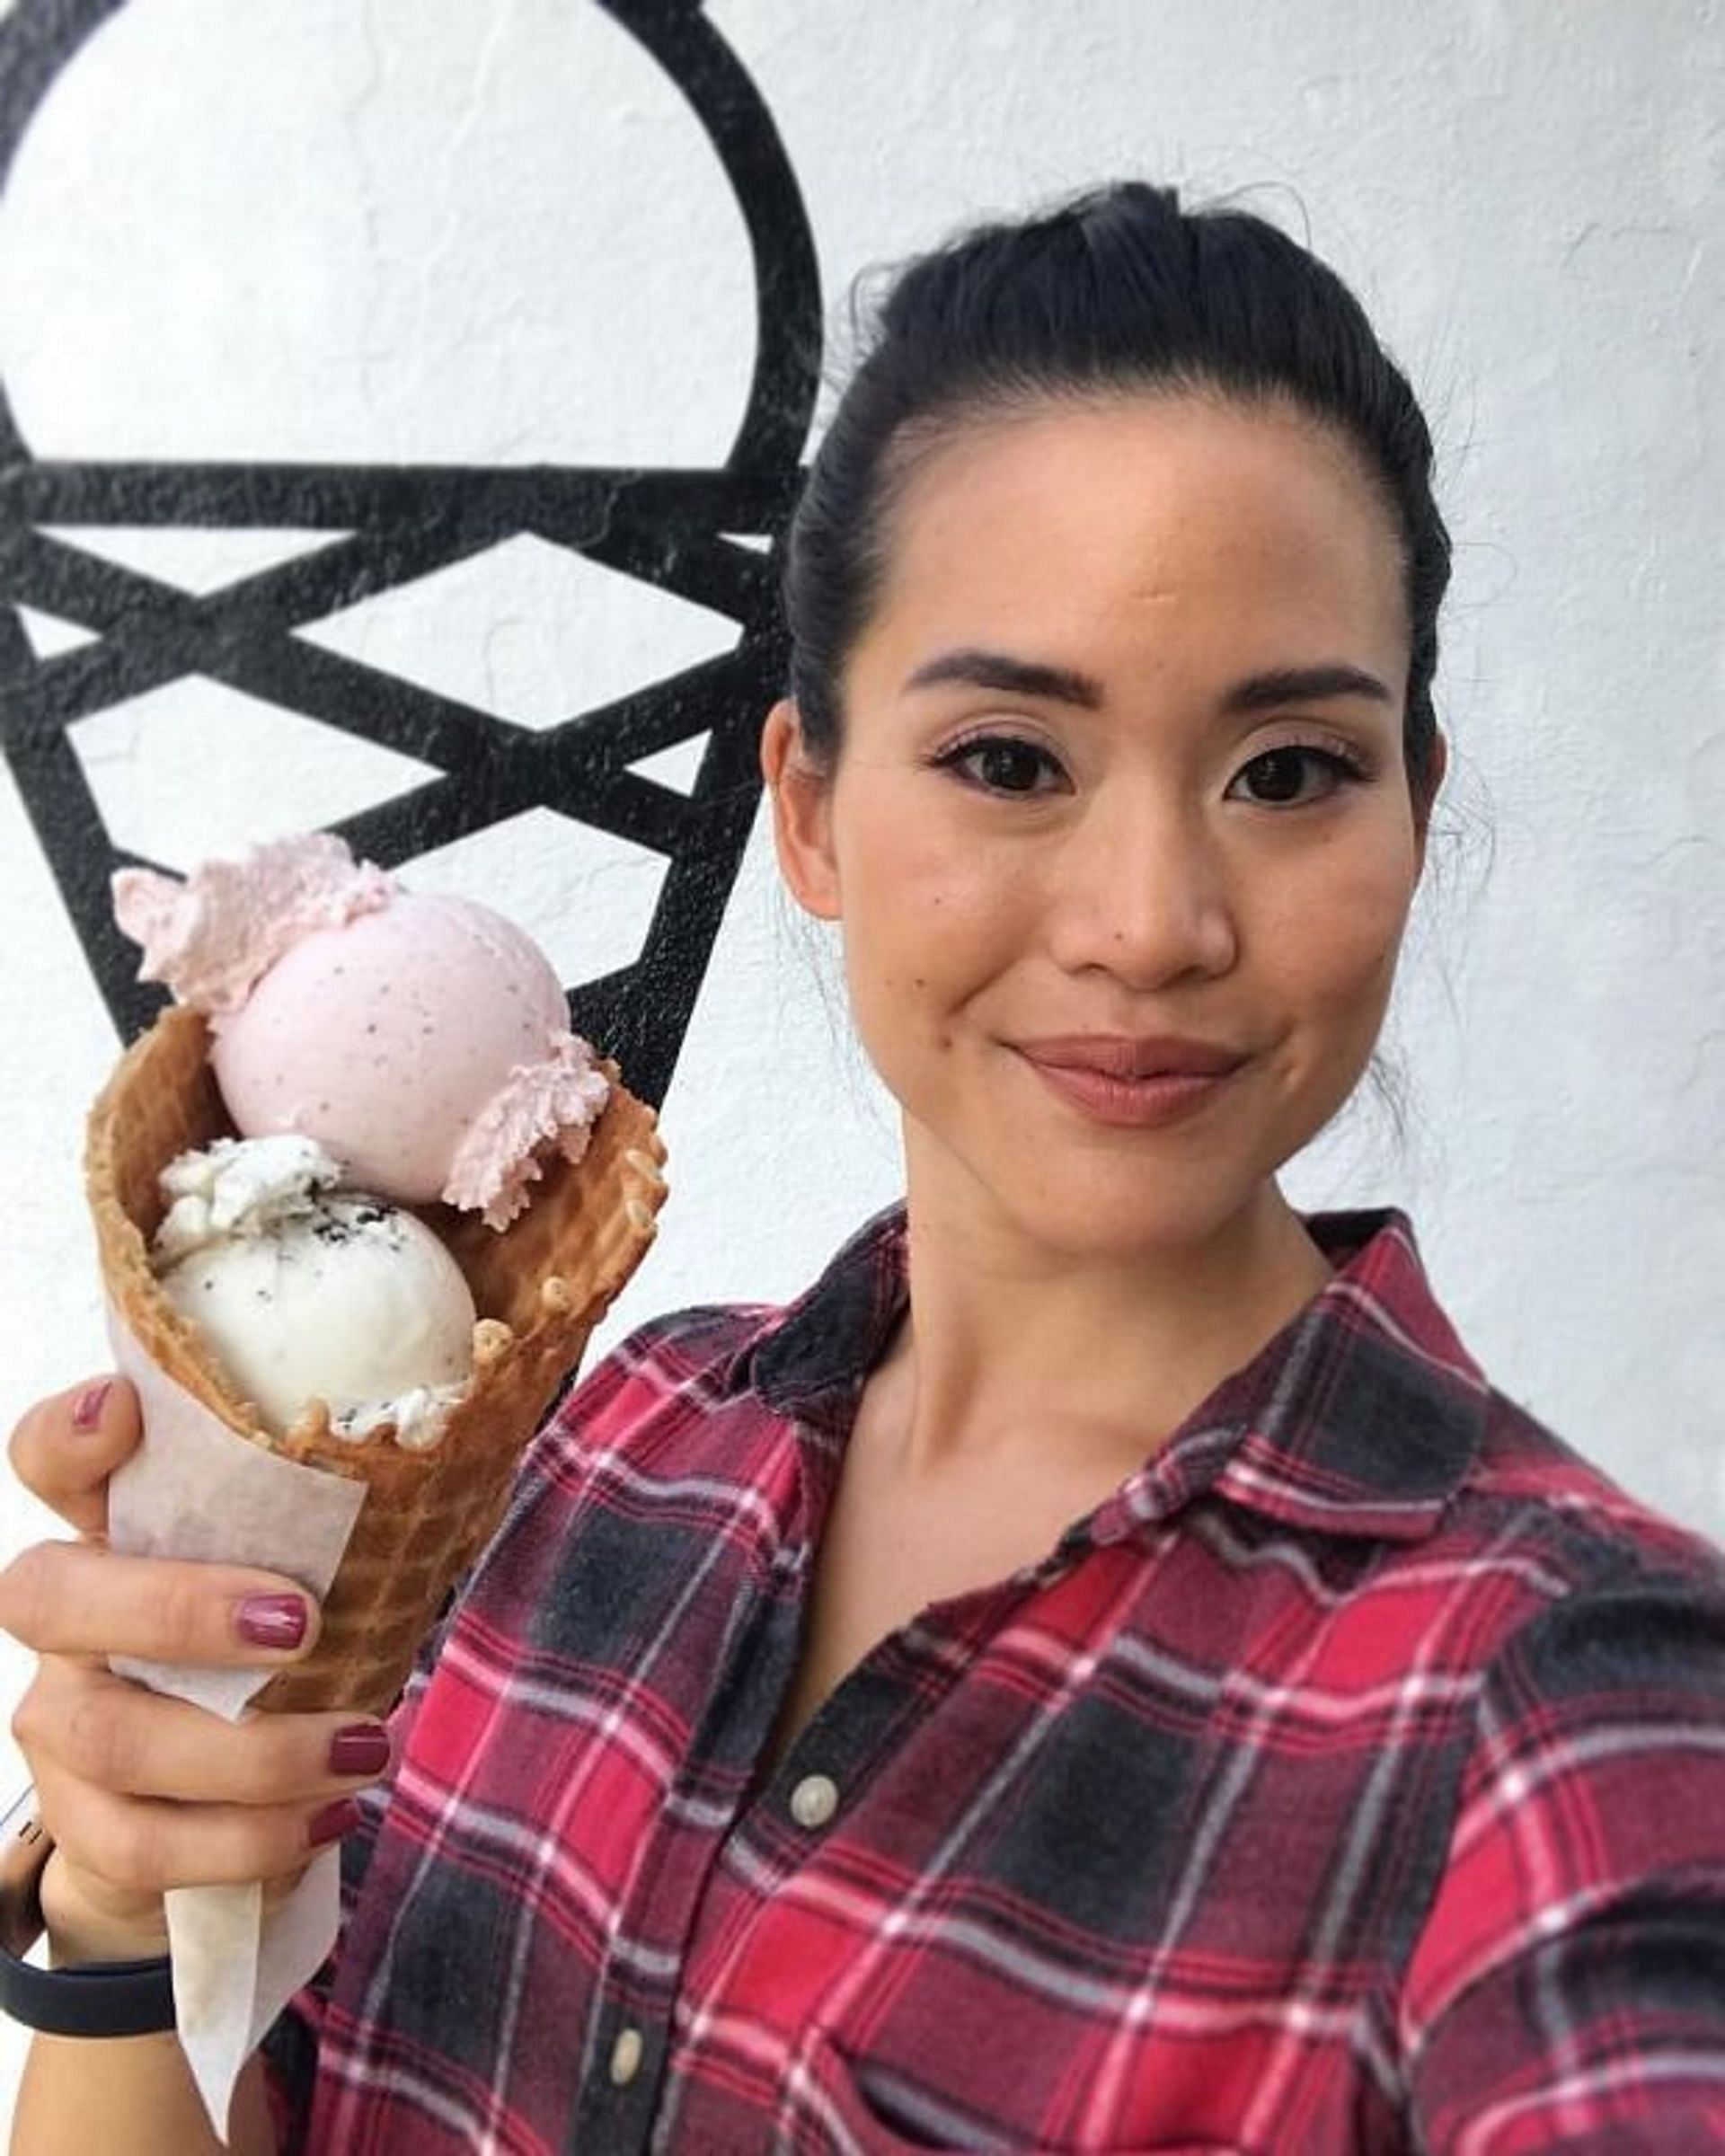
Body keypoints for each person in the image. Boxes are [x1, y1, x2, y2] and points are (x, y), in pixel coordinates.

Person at [3, 183, 1722, 2152]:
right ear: (808, 814)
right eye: (1009, 757)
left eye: (1290, 772)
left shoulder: (1579, 1715)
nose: (1151, 921)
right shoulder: (608, 1452)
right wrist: (136, 1906)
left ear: (1415, 815)